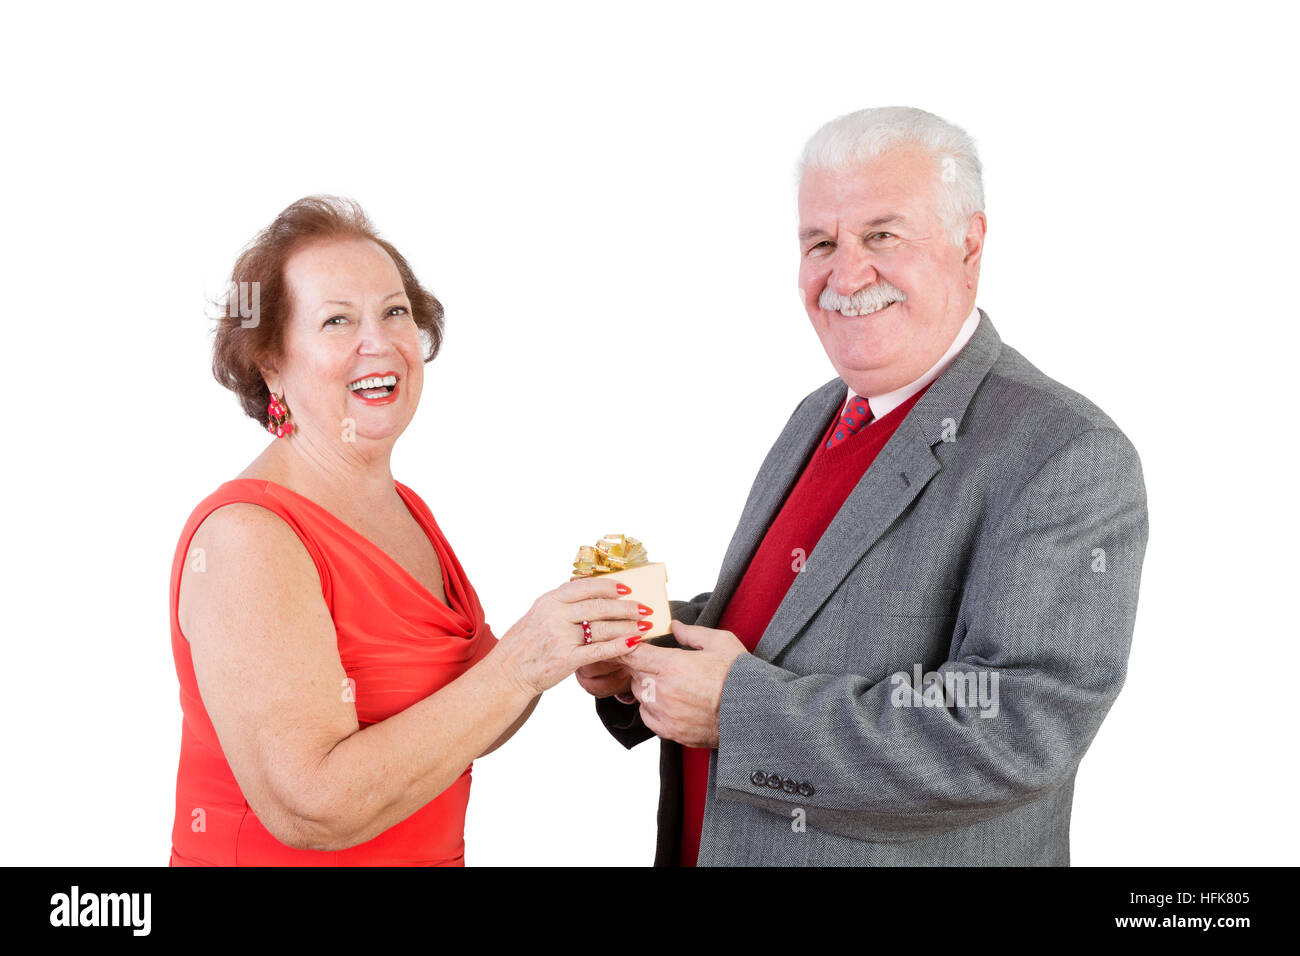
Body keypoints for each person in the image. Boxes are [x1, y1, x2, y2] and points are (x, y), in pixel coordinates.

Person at [577, 106, 1149, 866]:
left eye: (882, 235)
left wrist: (737, 709)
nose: (846, 274)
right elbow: (796, 622)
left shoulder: (1064, 452)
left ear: (969, 246)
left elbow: (1016, 730)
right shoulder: (824, 411)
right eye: (821, 242)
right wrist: (645, 644)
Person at [170, 196, 651, 865]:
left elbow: (468, 718)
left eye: (394, 311)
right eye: (337, 320)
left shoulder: (406, 510)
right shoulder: (247, 538)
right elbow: (311, 807)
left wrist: (565, 650)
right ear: (271, 361)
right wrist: (520, 664)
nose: (381, 343)